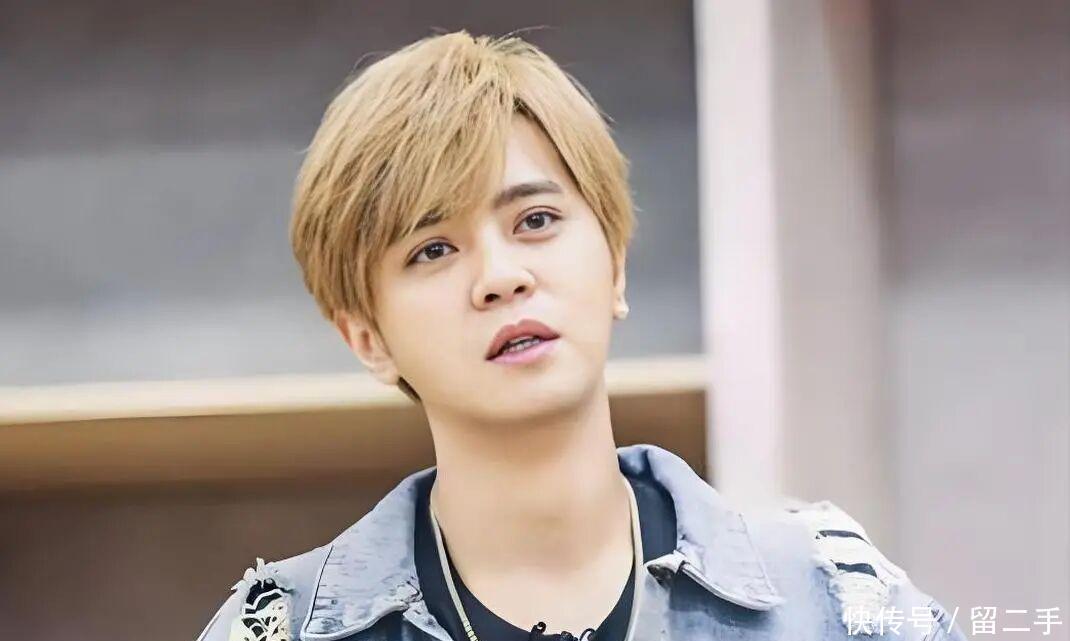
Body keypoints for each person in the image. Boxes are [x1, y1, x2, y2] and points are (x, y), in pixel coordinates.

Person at [195, 30, 967, 641]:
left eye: (535, 220)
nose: (501, 276)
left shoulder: (832, 600)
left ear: (616, 266)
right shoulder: (280, 629)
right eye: (433, 250)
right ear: (367, 338)